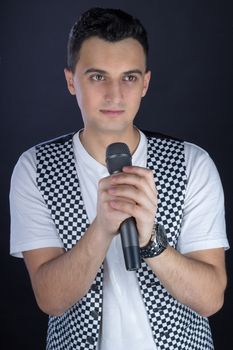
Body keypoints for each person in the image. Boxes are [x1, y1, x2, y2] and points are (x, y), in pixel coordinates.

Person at [9, 7, 229, 350]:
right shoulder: (35, 167)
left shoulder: (192, 164)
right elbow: (50, 300)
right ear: (71, 81)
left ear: (145, 83)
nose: (114, 95)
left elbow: (211, 299)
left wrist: (151, 243)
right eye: (98, 76)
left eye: (129, 77)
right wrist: (101, 229)